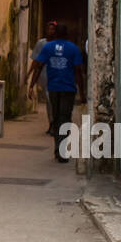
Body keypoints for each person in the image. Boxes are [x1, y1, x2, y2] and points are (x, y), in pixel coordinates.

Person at [26, 23, 85, 162]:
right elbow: (78, 72)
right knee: (65, 118)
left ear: (55, 34)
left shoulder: (48, 47)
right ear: (67, 34)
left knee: (57, 117)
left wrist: (31, 85)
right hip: (68, 89)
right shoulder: (73, 49)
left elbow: (39, 67)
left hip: (53, 88)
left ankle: (58, 147)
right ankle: (62, 149)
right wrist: (82, 93)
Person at [30, 20, 57, 134]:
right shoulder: (41, 43)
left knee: (53, 101)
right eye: (49, 29)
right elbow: (36, 61)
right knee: (49, 101)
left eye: (53, 29)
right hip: (44, 76)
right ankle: (52, 123)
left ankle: (54, 123)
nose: (51, 31)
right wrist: (29, 75)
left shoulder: (58, 44)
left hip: (56, 77)